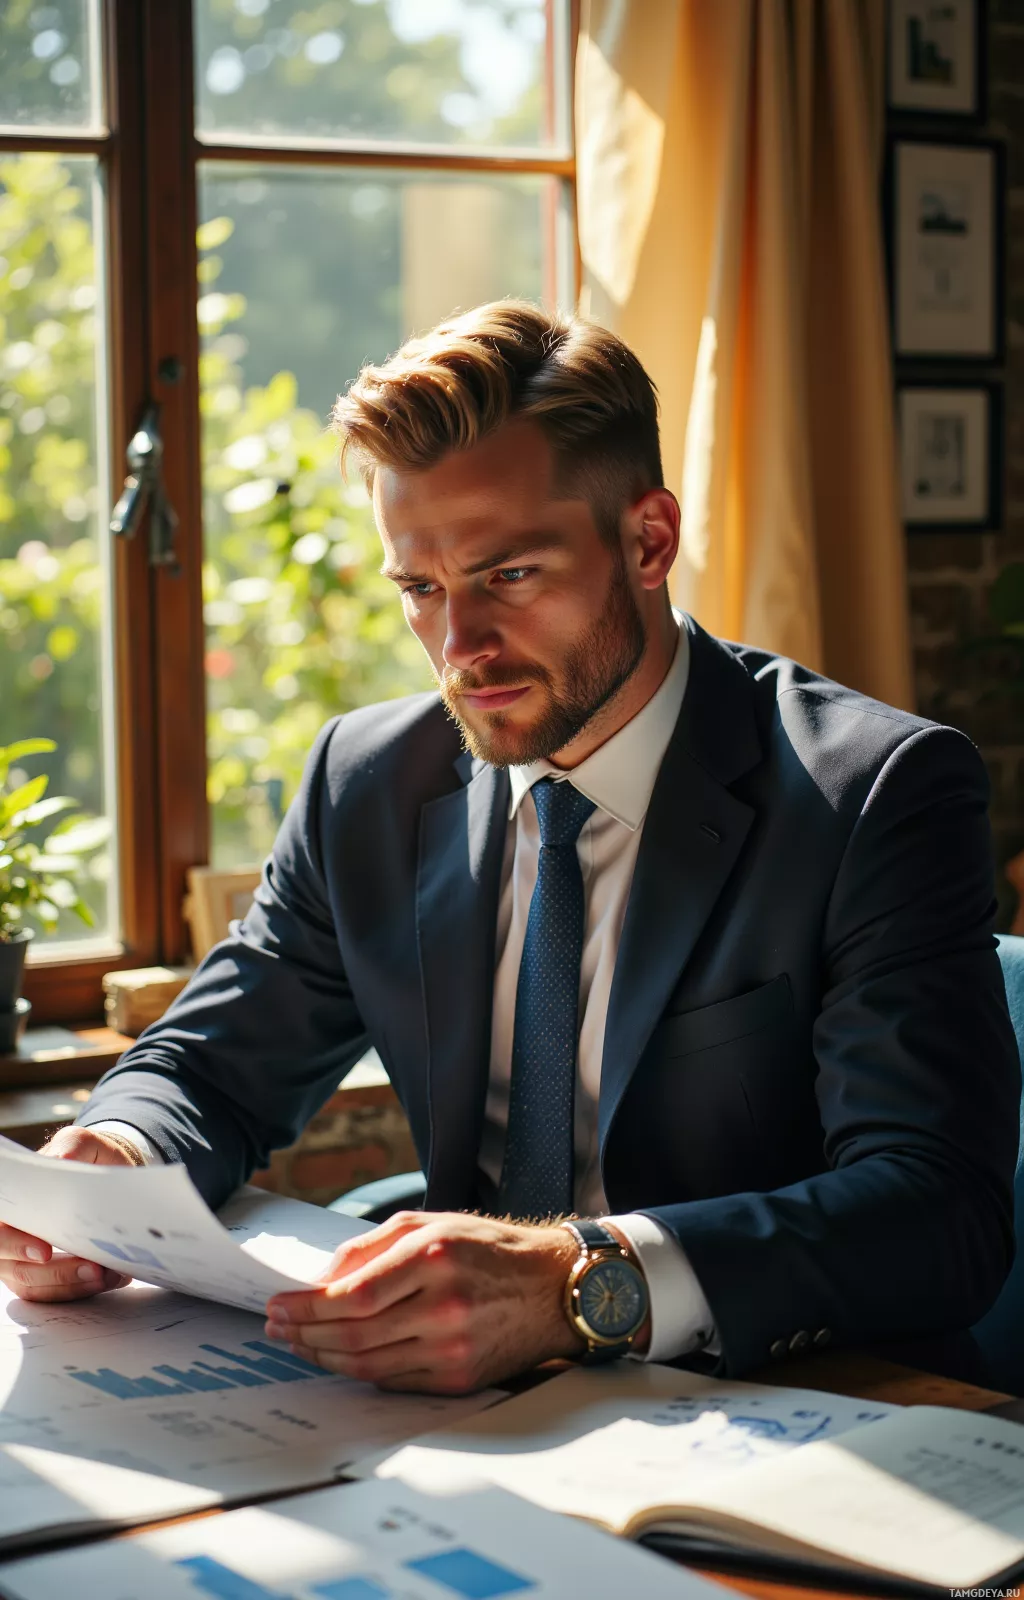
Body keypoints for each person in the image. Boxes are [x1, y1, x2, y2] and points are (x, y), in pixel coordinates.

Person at [1, 302, 1018, 1395]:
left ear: (648, 540)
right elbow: (211, 1064)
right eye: (420, 590)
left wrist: (576, 1282)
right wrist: (110, 1161)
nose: (460, 648)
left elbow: (935, 1213)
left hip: (793, 1406)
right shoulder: (368, 782)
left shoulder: (872, 794)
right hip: (458, 1411)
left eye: (510, 576)